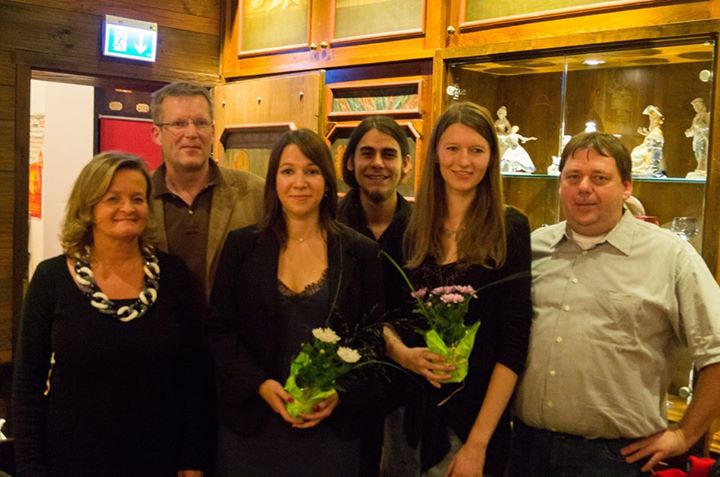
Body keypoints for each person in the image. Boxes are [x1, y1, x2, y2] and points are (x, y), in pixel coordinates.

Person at [511, 132, 720, 477]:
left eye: (600, 178)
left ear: (627, 187)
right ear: (560, 183)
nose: (584, 187)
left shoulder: (670, 255)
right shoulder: (533, 248)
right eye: (573, 176)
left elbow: (716, 350)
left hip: (615, 459)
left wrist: (684, 435)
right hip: (525, 450)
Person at [12, 152, 210, 477]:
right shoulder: (51, 279)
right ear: (89, 208)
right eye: (112, 199)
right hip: (70, 461)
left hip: (158, 459)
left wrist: (193, 459)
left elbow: (194, 376)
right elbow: (27, 383)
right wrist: (31, 467)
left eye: (137, 198)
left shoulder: (174, 276)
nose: (128, 208)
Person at [207, 129, 386, 477]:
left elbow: (372, 337)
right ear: (274, 179)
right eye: (288, 171)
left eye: (311, 171)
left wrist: (339, 392)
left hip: (331, 431)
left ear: (327, 180)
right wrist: (260, 384)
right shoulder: (242, 246)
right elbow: (220, 330)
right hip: (253, 426)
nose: (299, 182)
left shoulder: (360, 252)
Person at [383, 102, 532, 476]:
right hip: (407, 422)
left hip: (476, 425)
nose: (463, 161)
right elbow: (377, 317)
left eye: (476, 150)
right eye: (452, 149)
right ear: (435, 155)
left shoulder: (509, 228)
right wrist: (405, 355)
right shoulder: (407, 225)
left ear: (491, 158)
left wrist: (478, 444)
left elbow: (514, 344)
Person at [337, 116, 413, 476]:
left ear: (406, 165)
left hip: (409, 397)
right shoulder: (327, 227)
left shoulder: (425, 230)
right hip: (339, 394)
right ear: (349, 161)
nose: (378, 163)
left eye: (389, 154)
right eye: (367, 153)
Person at [148, 81, 264, 300]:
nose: (191, 133)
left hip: (232, 331)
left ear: (212, 132)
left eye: (200, 123)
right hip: (158, 332)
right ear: (156, 133)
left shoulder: (255, 193)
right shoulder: (137, 196)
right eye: (179, 123)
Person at [685, 97, 709, 178]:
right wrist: (689, 132)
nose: (696, 108)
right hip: (697, 140)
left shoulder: (707, 115)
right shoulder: (696, 117)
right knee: (698, 154)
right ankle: (702, 170)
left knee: (703, 154)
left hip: (704, 139)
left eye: (697, 106)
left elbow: (709, 127)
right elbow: (693, 129)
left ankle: (702, 169)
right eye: (695, 106)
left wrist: (700, 126)